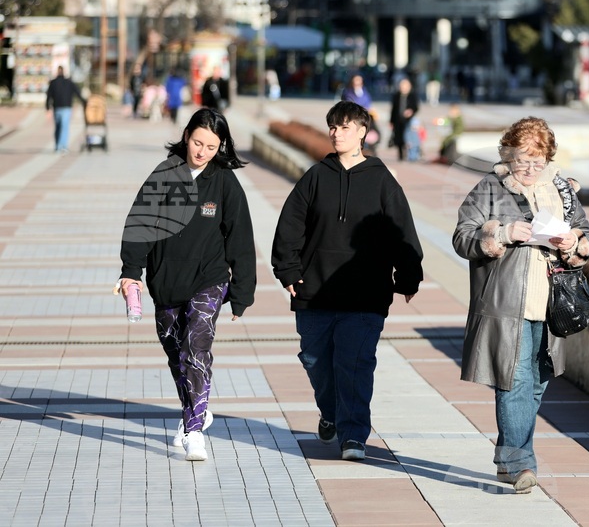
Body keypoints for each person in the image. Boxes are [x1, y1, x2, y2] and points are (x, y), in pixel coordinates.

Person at [271, 100, 423, 462]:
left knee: (355, 364)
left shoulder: (382, 179)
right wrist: (288, 271)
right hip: (315, 290)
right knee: (314, 360)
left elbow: (401, 231)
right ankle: (332, 413)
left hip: (365, 294)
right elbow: (289, 227)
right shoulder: (316, 176)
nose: (336, 133)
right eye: (332, 127)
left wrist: (408, 276)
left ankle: (353, 435)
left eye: (344, 127)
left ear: (362, 132)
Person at [452, 117, 589, 494]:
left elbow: (586, 233)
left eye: (538, 161)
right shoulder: (489, 189)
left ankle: (507, 457)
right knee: (513, 381)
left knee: (536, 384)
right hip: (505, 304)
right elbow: (463, 237)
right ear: (507, 155)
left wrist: (574, 243)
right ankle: (520, 463)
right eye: (522, 161)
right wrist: (501, 233)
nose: (530, 170)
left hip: (551, 306)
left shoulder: (562, 189)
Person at [117, 108, 256, 462]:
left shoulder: (223, 182)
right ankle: (196, 408)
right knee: (177, 354)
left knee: (196, 346)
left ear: (220, 146)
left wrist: (241, 292)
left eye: (211, 146)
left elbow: (240, 237)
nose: (202, 152)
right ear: (186, 135)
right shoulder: (164, 175)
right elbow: (139, 226)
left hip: (208, 279)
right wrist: (131, 270)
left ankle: (194, 431)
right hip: (165, 281)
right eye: (197, 142)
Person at [45, 66, 85, 153]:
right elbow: (77, 92)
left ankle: (57, 146)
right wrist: (84, 102)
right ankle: (63, 146)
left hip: (57, 108)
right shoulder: (69, 82)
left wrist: (48, 108)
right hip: (66, 108)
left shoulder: (53, 83)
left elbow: (48, 96)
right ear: (64, 72)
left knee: (58, 127)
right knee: (64, 127)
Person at [389, 77, 419, 161]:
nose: (403, 87)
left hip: (408, 121)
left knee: (408, 137)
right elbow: (393, 109)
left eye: (405, 85)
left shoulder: (412, 96)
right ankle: (400, 154)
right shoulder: (396, 96)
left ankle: (411, 153)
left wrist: (411, 111)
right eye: (402, 85)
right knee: (398, 137)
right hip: (398, 120)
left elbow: (416, 107)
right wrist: (391, 121)